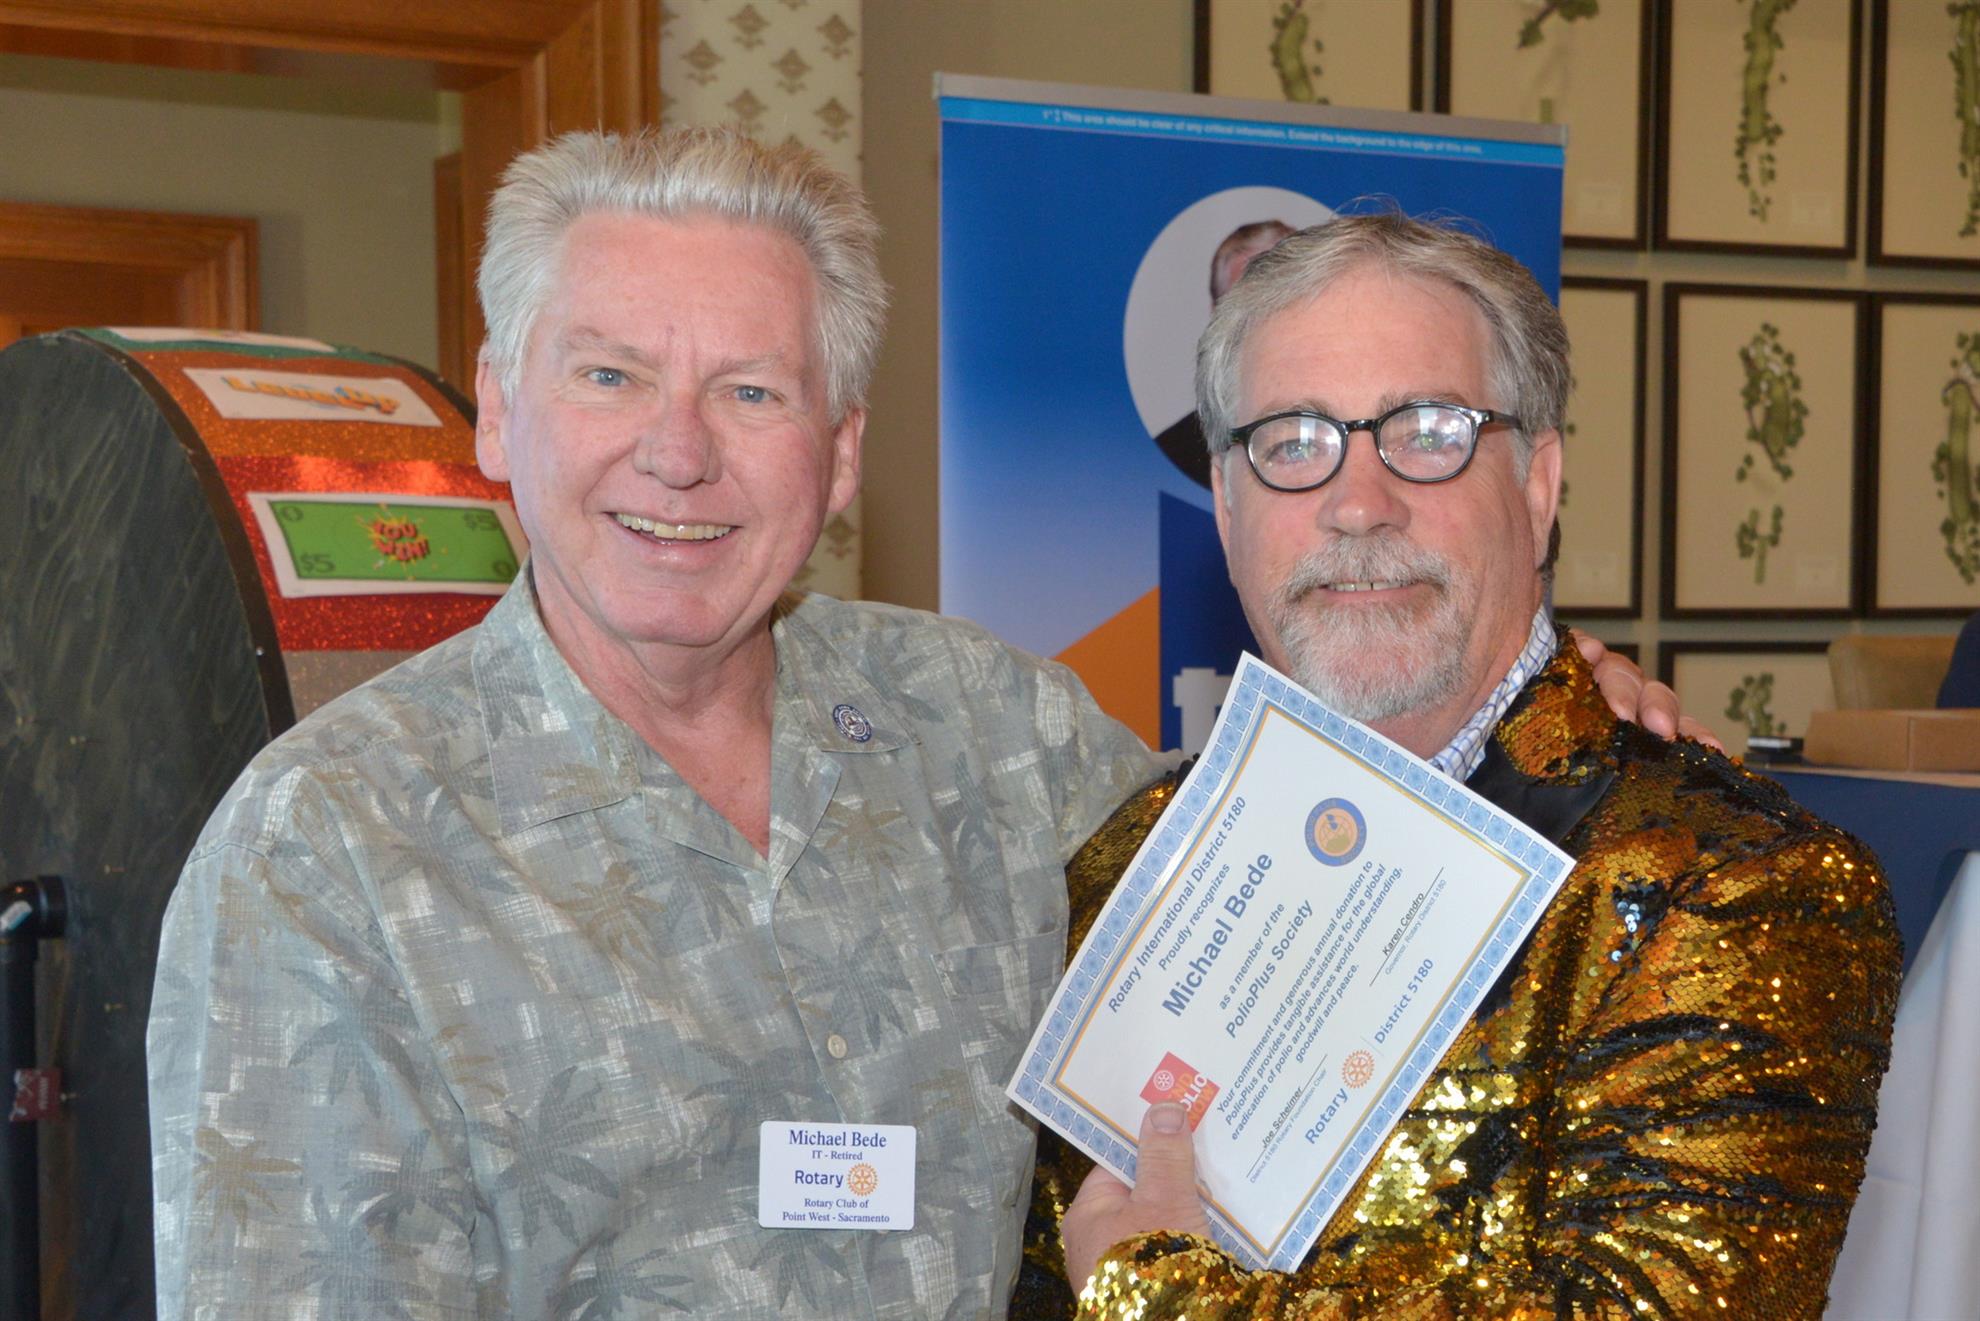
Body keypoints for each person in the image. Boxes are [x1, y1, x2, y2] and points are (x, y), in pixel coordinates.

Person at [145, 132, 1689, 1318]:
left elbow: (1318, 907)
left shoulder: (994, 731)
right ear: (497, 409)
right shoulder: (328, 847)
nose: (676, 453)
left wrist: (1540, 719)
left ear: (838, 453)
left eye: (752, 393)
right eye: (610, 374)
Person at [1041, 215, 1901, 1318]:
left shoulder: (1738, 883)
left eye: (1429, 430)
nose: (1358, 504)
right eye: (1293, 442)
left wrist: (1156, 1295)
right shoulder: (1131, 862)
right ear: (1226, 503)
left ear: (1538, 485)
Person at [1153, 220, 1295, 487]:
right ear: (1215, 319)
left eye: (1280, 301)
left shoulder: (1361, 427)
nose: (1264, 325)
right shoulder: (1174, 453)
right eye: (1244, 307)